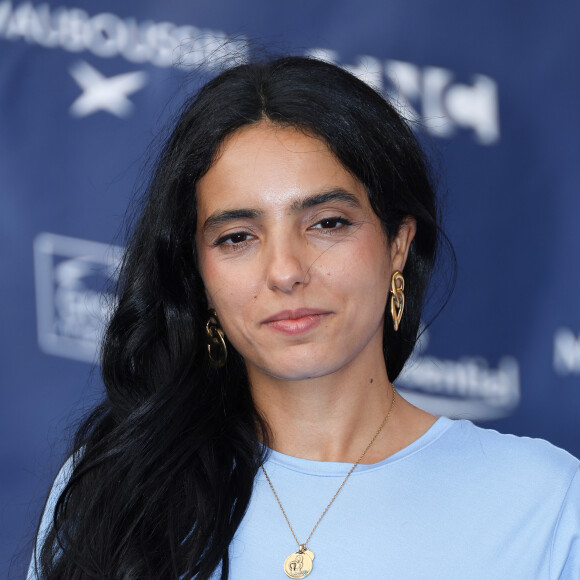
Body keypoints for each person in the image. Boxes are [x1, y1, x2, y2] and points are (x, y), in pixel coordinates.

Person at [29, 56, 579, 580]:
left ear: (397, 246)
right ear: (198, 275)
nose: (286, 271)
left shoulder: (546, 504)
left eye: (327, 223)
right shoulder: (115, 494)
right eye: (237, 237)